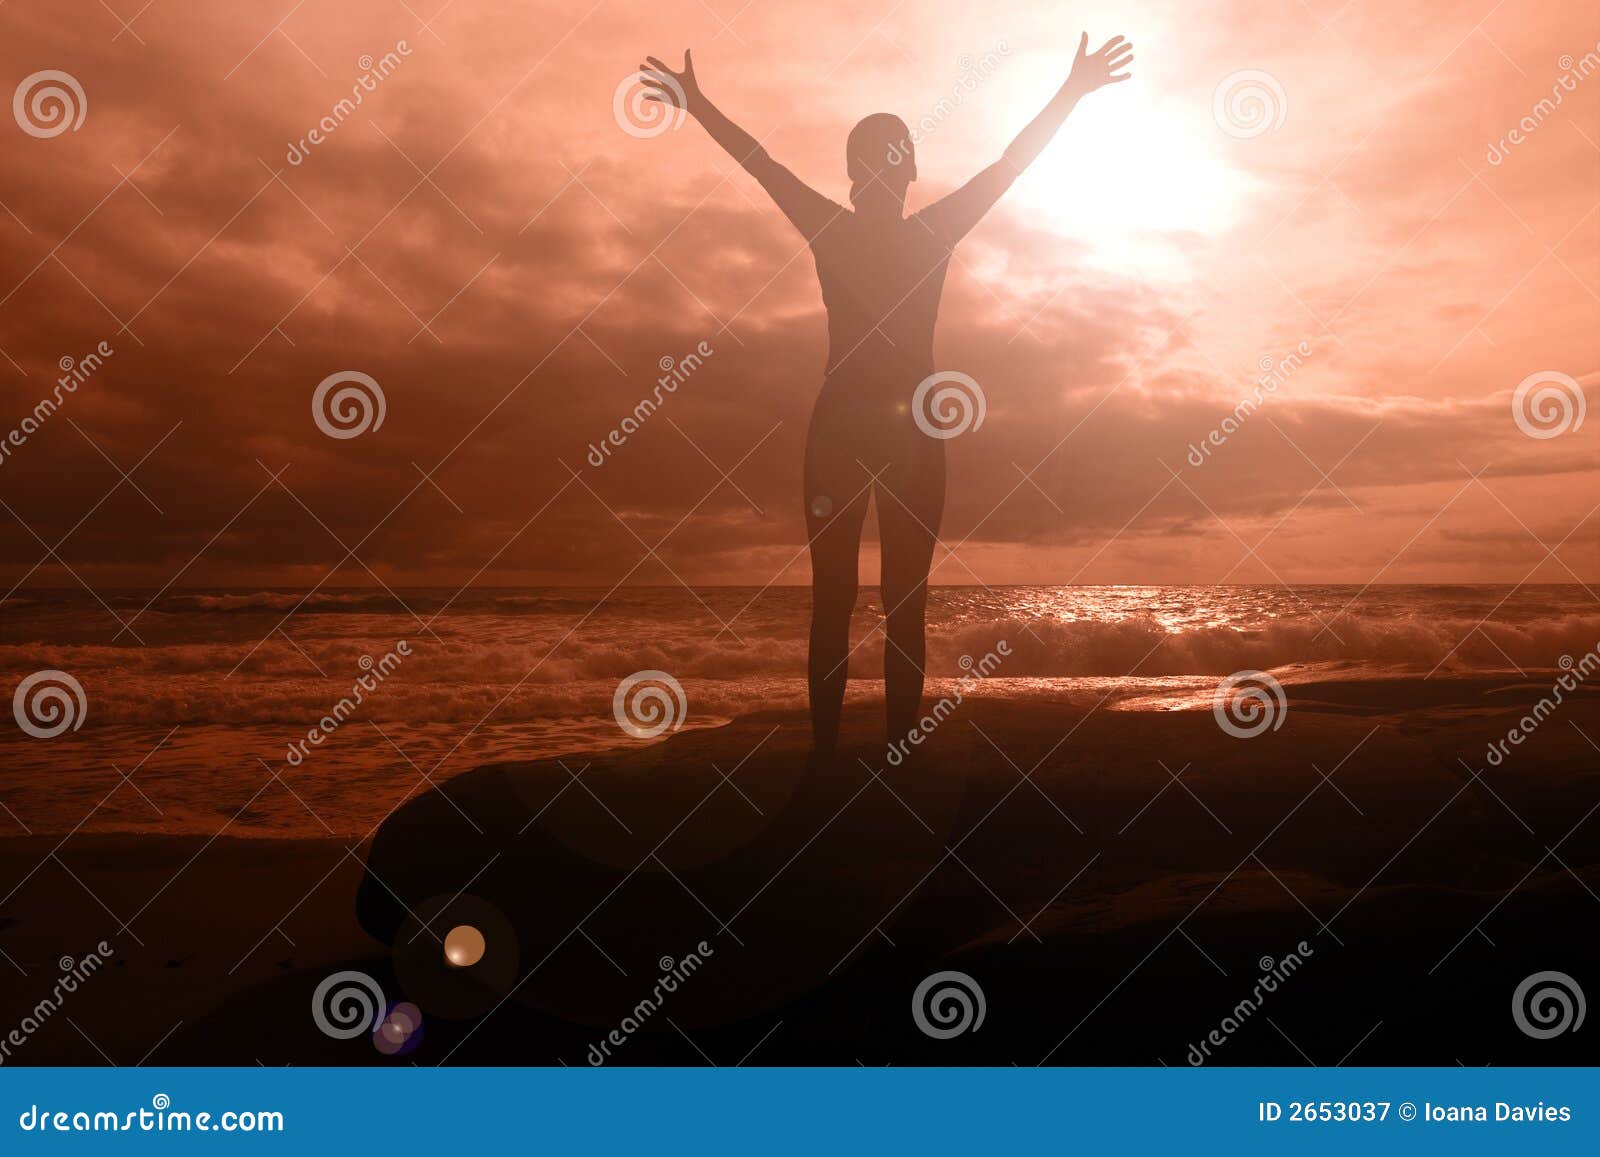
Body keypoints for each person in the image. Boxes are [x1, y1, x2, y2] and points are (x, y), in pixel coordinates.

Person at [640, 34, 1133, 757]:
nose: (889, 166)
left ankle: (833, 757)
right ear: (901, 171)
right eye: (892, 154)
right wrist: (1070, 90)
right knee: (894, 605)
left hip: (851, 430)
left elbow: (764, 166)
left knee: (845, 602)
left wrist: (700, 105)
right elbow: (1007, 167)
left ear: (855, 173)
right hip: (903, 433)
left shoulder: (842, 230)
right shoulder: (926, 233)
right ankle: (886, 754)